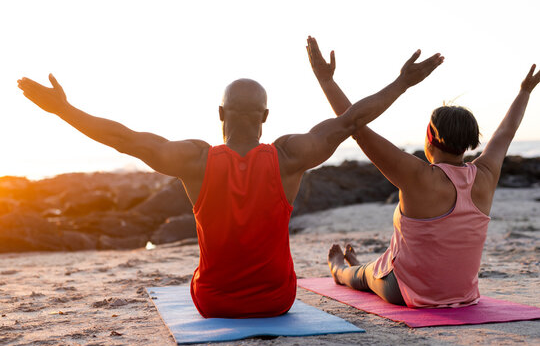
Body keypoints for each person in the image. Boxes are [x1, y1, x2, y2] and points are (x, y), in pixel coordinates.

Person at [17, 52, 442, 317]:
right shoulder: (290, 155)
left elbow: (125, 139)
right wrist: (403, 82)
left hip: (213, 302)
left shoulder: (194, 160)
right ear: (266, 117)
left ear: (221, 114)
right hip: (277, 301)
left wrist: (63, 110)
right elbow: (352, 120)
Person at [306, 36, 540, 308]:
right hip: (463, 295)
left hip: (406, 291)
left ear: (429, 137)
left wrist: (326, 81)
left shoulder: (417, 175)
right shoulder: (485, 175)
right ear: (470, 140)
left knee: (359, 276)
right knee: (383, 262)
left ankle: (340, 269)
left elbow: (356, 127)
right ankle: (368, 266)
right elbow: (505, 133)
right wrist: (525, 91)